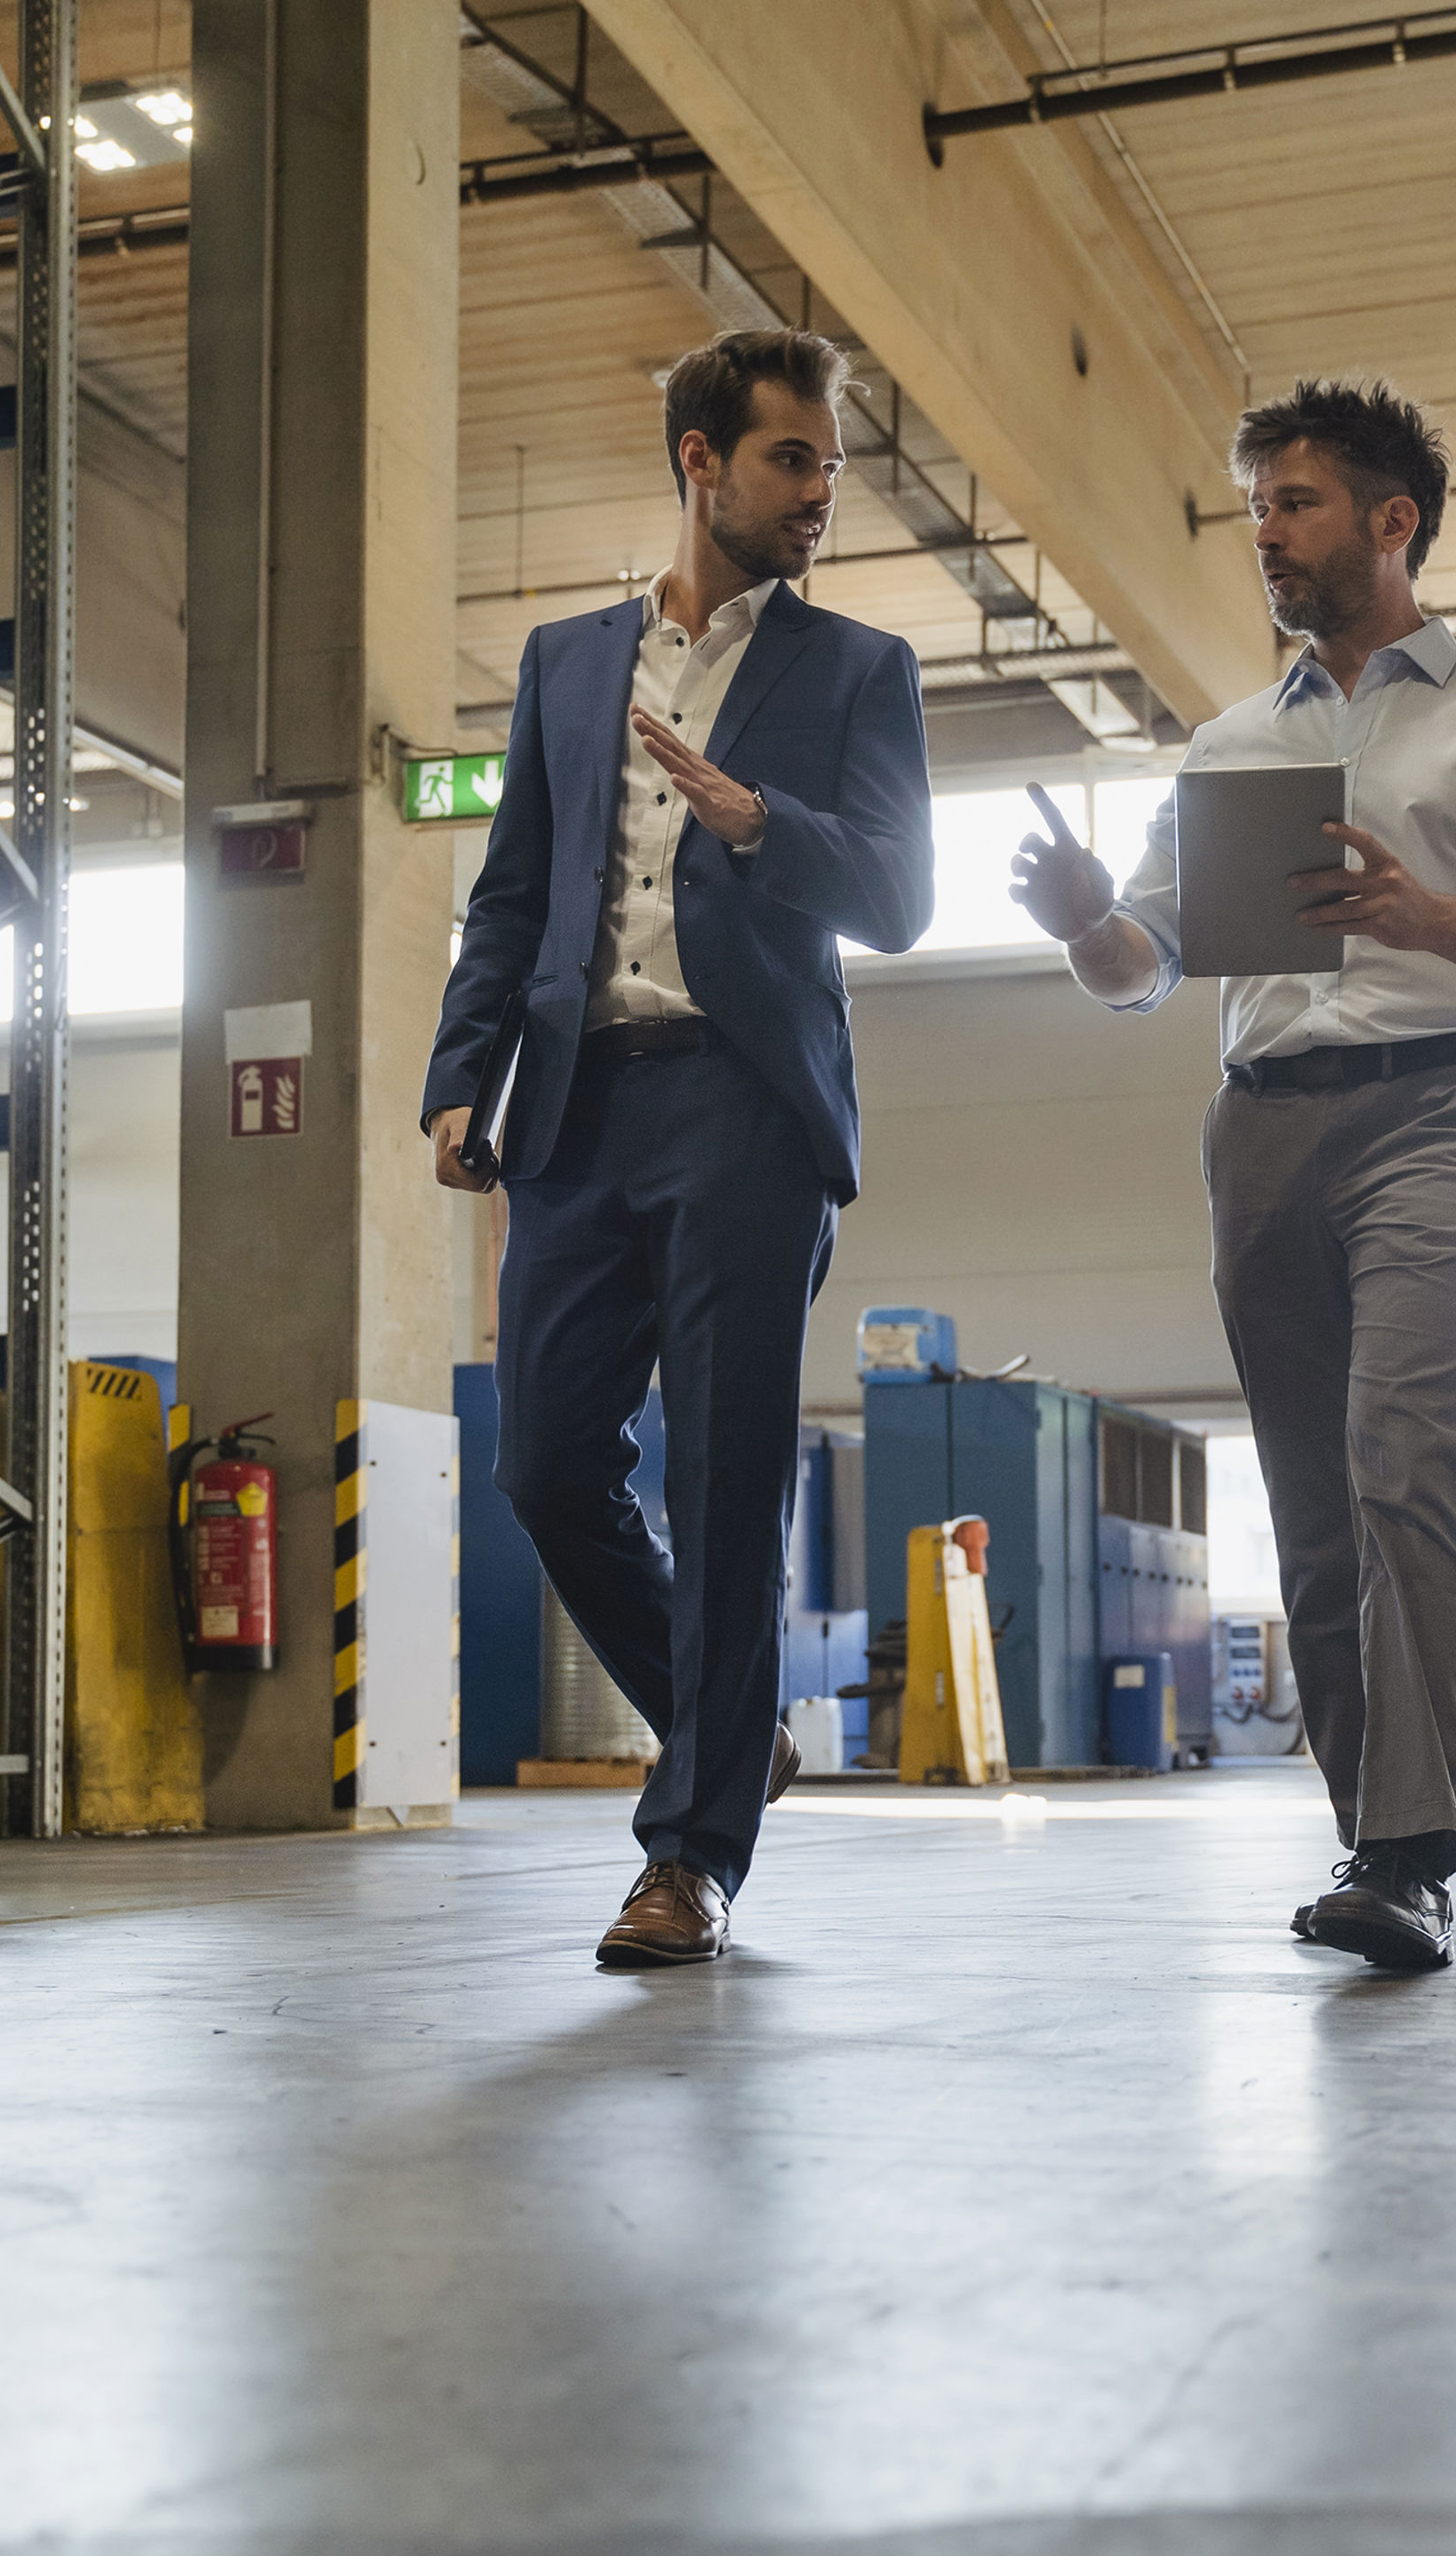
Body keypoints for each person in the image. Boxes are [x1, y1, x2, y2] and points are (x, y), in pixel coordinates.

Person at [1012, 378, 1456, 1971]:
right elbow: (1142, 967)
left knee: (1402, 1461)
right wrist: (1088, 913)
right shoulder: (1232, 743)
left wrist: (1437, 921)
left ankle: (1416, 1851)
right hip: (1265, 1128)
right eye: (1256, 515)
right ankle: (1374, 1843)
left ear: (1391, 519)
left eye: (1293, 507)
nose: (1268, 540)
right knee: (1308, 1511)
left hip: (1444, 1106)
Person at [425, 330, 935, 1968]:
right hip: (576, 1104)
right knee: (545, 1461)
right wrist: (462, 1074)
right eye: (792, 462)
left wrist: (758, 824)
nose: (819, 500)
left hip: (743, 1101)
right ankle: (733, 1734)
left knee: (723, 1482)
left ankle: (692, 1850)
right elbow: (514, 888)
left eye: (832, 472)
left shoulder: (859, 670)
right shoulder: (570, 665)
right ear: (702, 460)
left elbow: (904, 900)